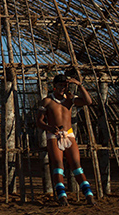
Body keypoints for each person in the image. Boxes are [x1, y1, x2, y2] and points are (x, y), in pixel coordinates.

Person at [36, 72, 96, 206]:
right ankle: (62, 196)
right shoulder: (47, 101)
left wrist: (80, 85)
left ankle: (89, 195)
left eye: (65, 85)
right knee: (58, 164)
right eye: (60, 85)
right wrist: (49, 128)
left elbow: (88, 101)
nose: (62, 88)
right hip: (54, 135)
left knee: (76, 165)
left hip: (69, 134)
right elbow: (39, 122)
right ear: (54, 86)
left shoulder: (70, 99)